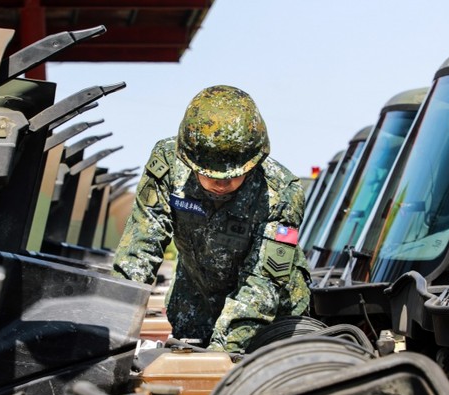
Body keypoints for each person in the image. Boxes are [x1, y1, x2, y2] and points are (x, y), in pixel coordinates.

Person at [112, 85, 311, 352]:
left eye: (230, 176)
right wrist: (115, 324)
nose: (220, 184)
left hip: (271, 326)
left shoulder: (283, 192)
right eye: (209, 174)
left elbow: (262, 283)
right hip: (194, 309)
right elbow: (141, 245)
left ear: (253, 163)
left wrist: (222, 351)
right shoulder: (167, 165)